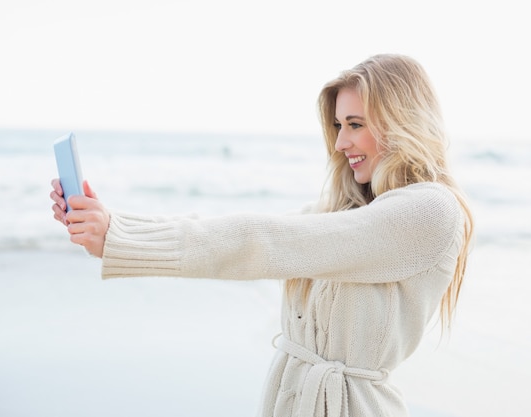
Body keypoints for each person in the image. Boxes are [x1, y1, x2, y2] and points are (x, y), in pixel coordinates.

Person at [50, 53, 474, 417]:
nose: (341, 141)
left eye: (356, 124)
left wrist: (118, 237)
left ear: (402, 122)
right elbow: (240, 230)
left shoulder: (430, 210)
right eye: (338, 124)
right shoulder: (349, 212)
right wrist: (112, 227)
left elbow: (267, 241)